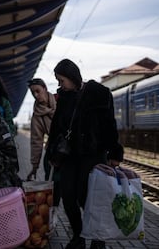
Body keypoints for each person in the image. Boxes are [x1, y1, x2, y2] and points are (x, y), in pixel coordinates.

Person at [44, 59, 123, 249]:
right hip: (70, 156)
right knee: (69, 197)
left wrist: (114, 152)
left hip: (93, 155)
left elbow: (109, 125)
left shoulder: (99, 93)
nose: (60, 84)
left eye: (61, 80)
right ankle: (78, 237)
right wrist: (52, 154)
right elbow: (56, 128)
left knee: (90, 198)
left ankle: (98, 239)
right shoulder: (63, 97)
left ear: (72, 77)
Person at [26, 78, 57, 181]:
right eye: (32, 92)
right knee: (51, 179)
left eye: (38, 91)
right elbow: (36, 141)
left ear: (45, 88)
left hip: (71, 148)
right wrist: (34, 167)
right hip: (54, 150)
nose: (35, 95)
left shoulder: (59, 100)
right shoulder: (37, 116)